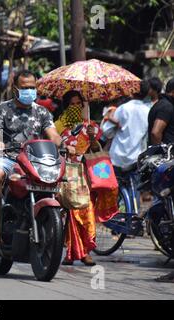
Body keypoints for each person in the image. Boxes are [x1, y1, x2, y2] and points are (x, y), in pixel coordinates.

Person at [0, 70, 62, 246]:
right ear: (15, 88)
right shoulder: (2, 109)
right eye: (25, 87)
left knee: (66, 182)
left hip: (36, 161)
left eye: (32, 87)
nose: (29, 91)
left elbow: (53, 135)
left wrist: (62, 142)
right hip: (10, 159)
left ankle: (59, 231)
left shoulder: (42, 112)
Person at [55, 90, 118, 266]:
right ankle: (72, 251)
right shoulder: (58, 126)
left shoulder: (90, 126)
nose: (75, 107)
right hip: (67, 174)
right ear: (66, 106)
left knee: (87, 211)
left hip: (86, 175)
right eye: (71, 104)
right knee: (71, 213)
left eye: (78, 104)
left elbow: (97, 148)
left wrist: (91, 137)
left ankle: (86, 251)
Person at [108, 81, 150, 203]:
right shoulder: (147, 110)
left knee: (116, 187)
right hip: (136, 156)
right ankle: (134, 215)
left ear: (132, 92)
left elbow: (107, 131)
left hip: (117, 155)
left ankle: (117, 213)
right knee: (135, 188)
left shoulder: (123, 108)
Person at [149, 78, 174, 145]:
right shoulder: (166, 107)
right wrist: (160, 152)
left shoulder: (162, 103)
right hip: (165, 154)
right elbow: (155, 133)